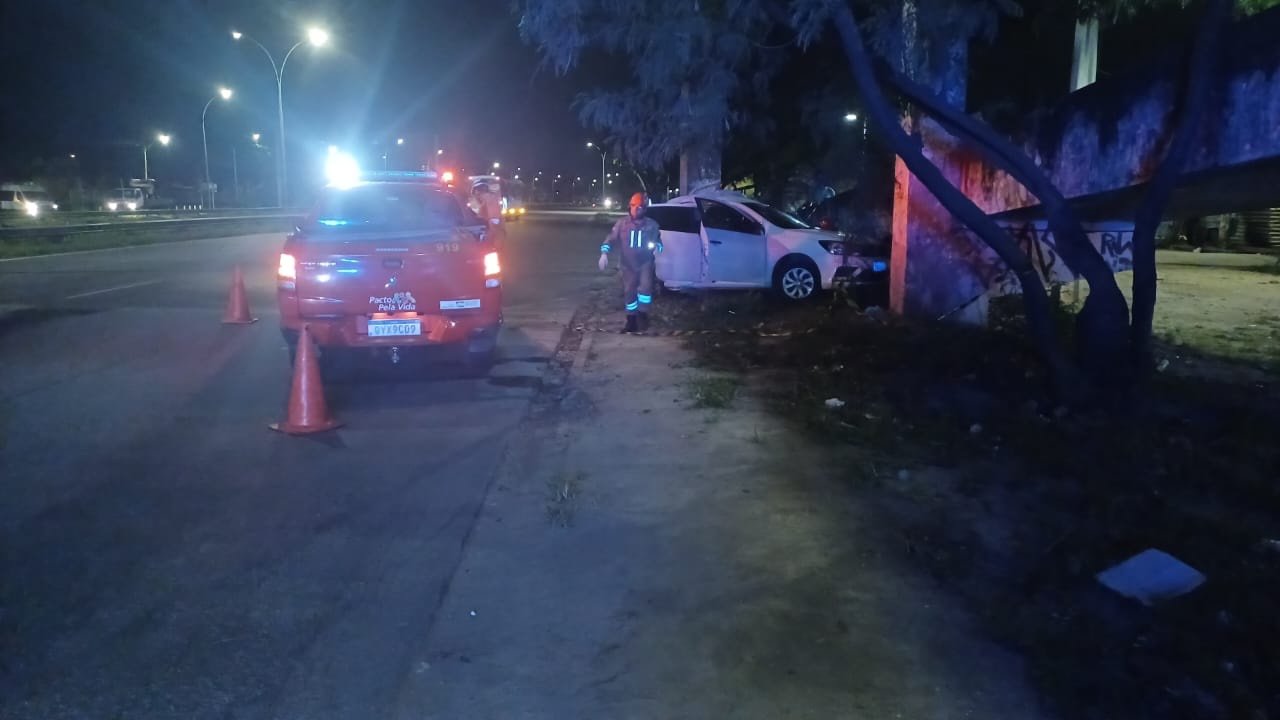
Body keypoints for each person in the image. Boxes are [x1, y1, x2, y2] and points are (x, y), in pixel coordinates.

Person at [599, 192, 663, 333]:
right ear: (630, 207)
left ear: (644, 209)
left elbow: (658, 241)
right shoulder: (622, 224)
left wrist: (658, 247)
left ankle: (643, 315)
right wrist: (604, 253)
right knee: (629, 292)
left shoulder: (652, 225)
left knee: (645, 290)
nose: (637, 210)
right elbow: (610, 239)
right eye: (634, 206)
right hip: (627, 264)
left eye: (640, 207)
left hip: (645, 263)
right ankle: (631, 320)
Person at [472, 181, 507, 250]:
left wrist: (478, 216)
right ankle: (495, 248)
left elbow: (484, 209)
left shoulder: (485, 197)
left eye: (476, 191)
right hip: (497, 220)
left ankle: (491, 249)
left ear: (479, 191)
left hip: (492, 220)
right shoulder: (491, 197)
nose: (476, 194)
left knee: (492, 236)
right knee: (496, 235)